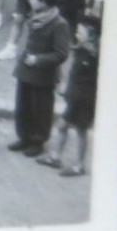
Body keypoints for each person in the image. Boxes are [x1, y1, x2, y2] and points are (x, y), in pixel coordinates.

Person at [10, 0, 71, 157]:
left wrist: (38, 60)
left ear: (44, 1)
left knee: (41, 109)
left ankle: (38, 141)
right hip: (27, 70)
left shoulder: (60, 24)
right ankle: (24, 137)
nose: (31, 0)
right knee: (23, 106)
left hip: (43, 74)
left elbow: (61, 54)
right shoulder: (35, 15)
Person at [38, 13, 100, 176]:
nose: (77, 34)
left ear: (91, 34)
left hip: (85, 99)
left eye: (81, 31)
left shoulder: (95, 54)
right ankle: (55, 157)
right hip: (75, 96)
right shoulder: (81, 49)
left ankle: (79, 165)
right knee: (63, 125)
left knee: (81, 130)